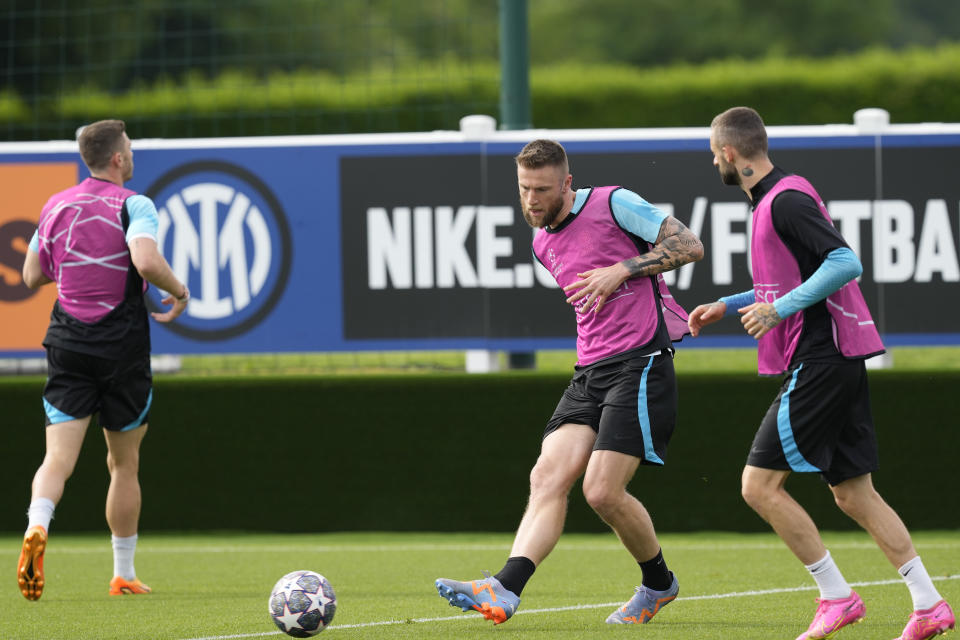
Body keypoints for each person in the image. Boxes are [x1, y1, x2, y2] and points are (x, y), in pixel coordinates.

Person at [688, 106, 955, 640]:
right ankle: (929, 605)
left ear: (730, 153)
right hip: (838, 356)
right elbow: (792, 281)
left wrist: (779, 309)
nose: (713, 159)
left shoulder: (784, 200)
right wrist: (730, 303)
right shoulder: (773, 198)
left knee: (758, 487)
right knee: (855, 495)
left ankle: (837, 596)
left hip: (823, 357)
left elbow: (844, 263)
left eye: (714, 151)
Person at [434, 139, 703, 625]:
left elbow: (690, 244)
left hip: (641, 364)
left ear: (567, 184)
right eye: (524, 189)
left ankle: (659, 583)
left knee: (601, 493)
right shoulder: (540, 240)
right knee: (546, 477)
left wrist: (621, 270)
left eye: (542, 189)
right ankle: (505, 589)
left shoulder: (614, 202)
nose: (531, 200)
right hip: (590, 372)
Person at [17, 119, 190, 601]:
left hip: (68, 342)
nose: (131, 156)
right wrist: (179, 292)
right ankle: (123, 573)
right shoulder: (135, 204)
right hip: (122, 347)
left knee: (57, 457)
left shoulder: (56, 204)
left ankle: (37, 525)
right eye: (129, 149)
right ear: (117, 158)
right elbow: (146, 262)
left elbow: (31, 275)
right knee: (123, 464)